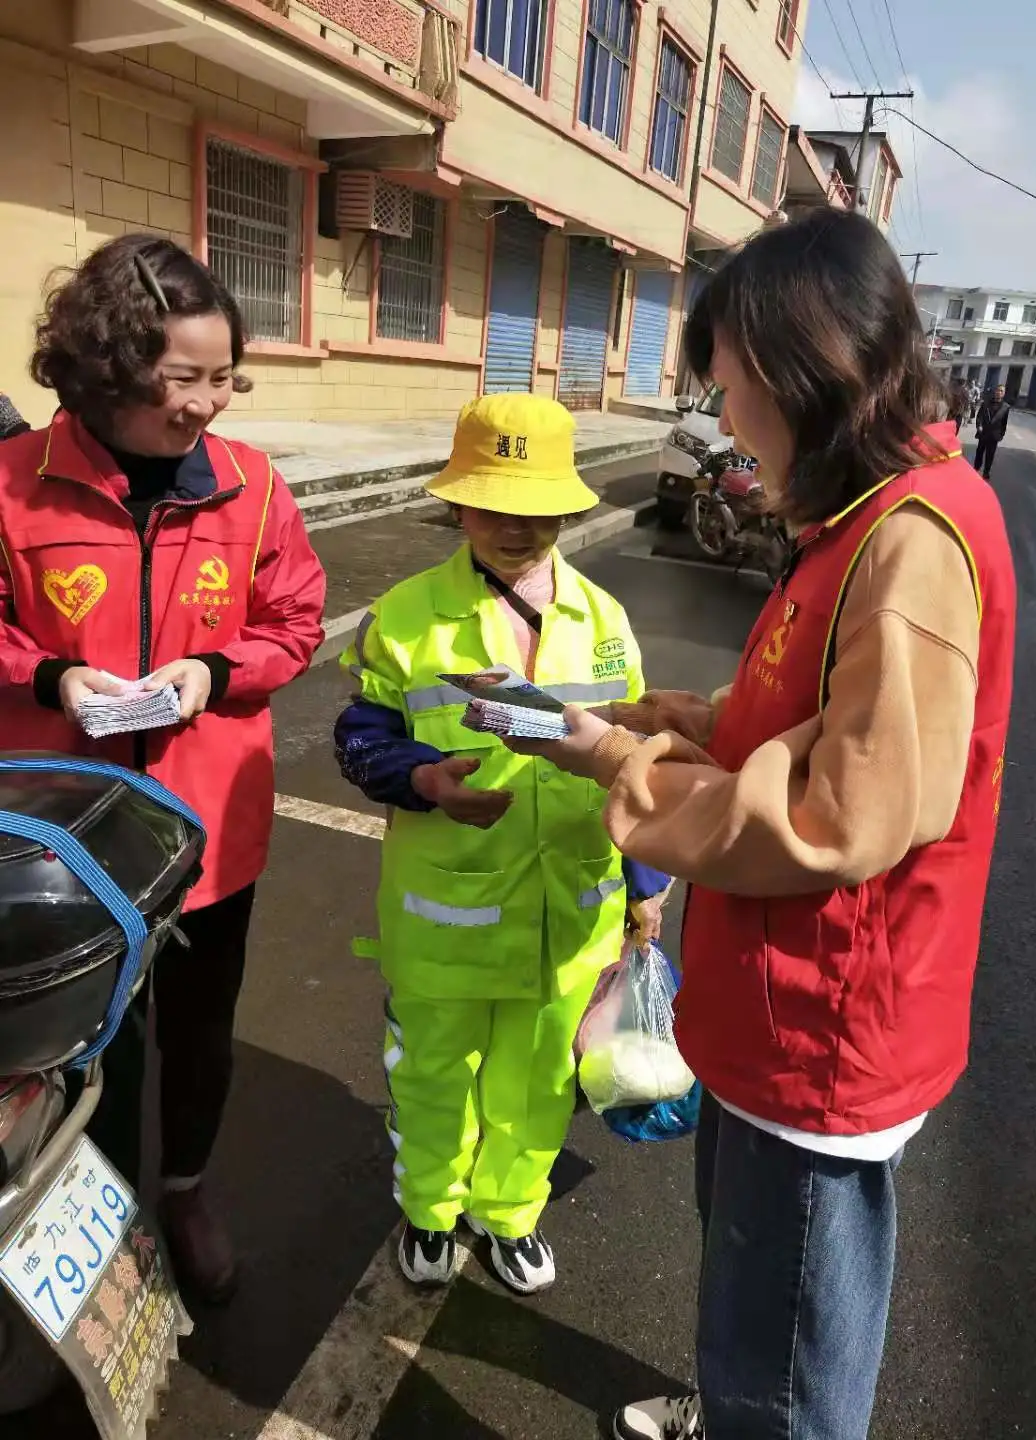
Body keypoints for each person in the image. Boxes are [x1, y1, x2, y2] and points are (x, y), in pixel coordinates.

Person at [500, 210, 1016, 1439]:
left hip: (823, 1027)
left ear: (808, 373)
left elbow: (843, 814)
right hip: (777, 1007)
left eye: (732, 391)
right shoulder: (854, 521)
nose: (724, 422)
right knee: (761, 1308)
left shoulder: (910, 543)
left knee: (785, 1353)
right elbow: (786, 706)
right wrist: (647, 712)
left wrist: (620, 762)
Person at [0, 235, 326, 1302]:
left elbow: (295, 619)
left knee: (196, 1029)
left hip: (206, 832)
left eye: (223, 375)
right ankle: (74, 1221)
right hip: (59, 838)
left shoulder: (251, 486)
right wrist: (53, 678)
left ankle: (184, 1185)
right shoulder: (13, 486)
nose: (208, 403)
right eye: (180, 377)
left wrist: (215, 669)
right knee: (65, 1046)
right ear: (104, 366)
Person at [333, 393, 669, 1295]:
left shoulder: (605, 623)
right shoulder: (405, 618)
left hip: (572, 918)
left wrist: (645, 885)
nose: (519, 528)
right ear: (457, 503)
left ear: (569, 506)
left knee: (536, 1087)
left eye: (539, 511)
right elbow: (361, 739)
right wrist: (421, 779)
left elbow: (638, 766)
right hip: (445, 920)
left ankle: (510, 1214)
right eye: (494, 507)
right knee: (435, 1079)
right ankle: (432, 1213)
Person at [974, 382, 1010, 476]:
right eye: (998, 390)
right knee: (979, 453)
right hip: (983, 432)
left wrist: (1001, 435)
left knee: (990, 455)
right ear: (995, 392)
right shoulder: (986, 403)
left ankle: (986, 472)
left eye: (1001, 391)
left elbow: (1004, 423)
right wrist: (979, 426)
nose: (999, 392)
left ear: (1004, 393)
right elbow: (979, 416)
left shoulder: (1006, 407)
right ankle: (976, 469)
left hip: (994, 435)